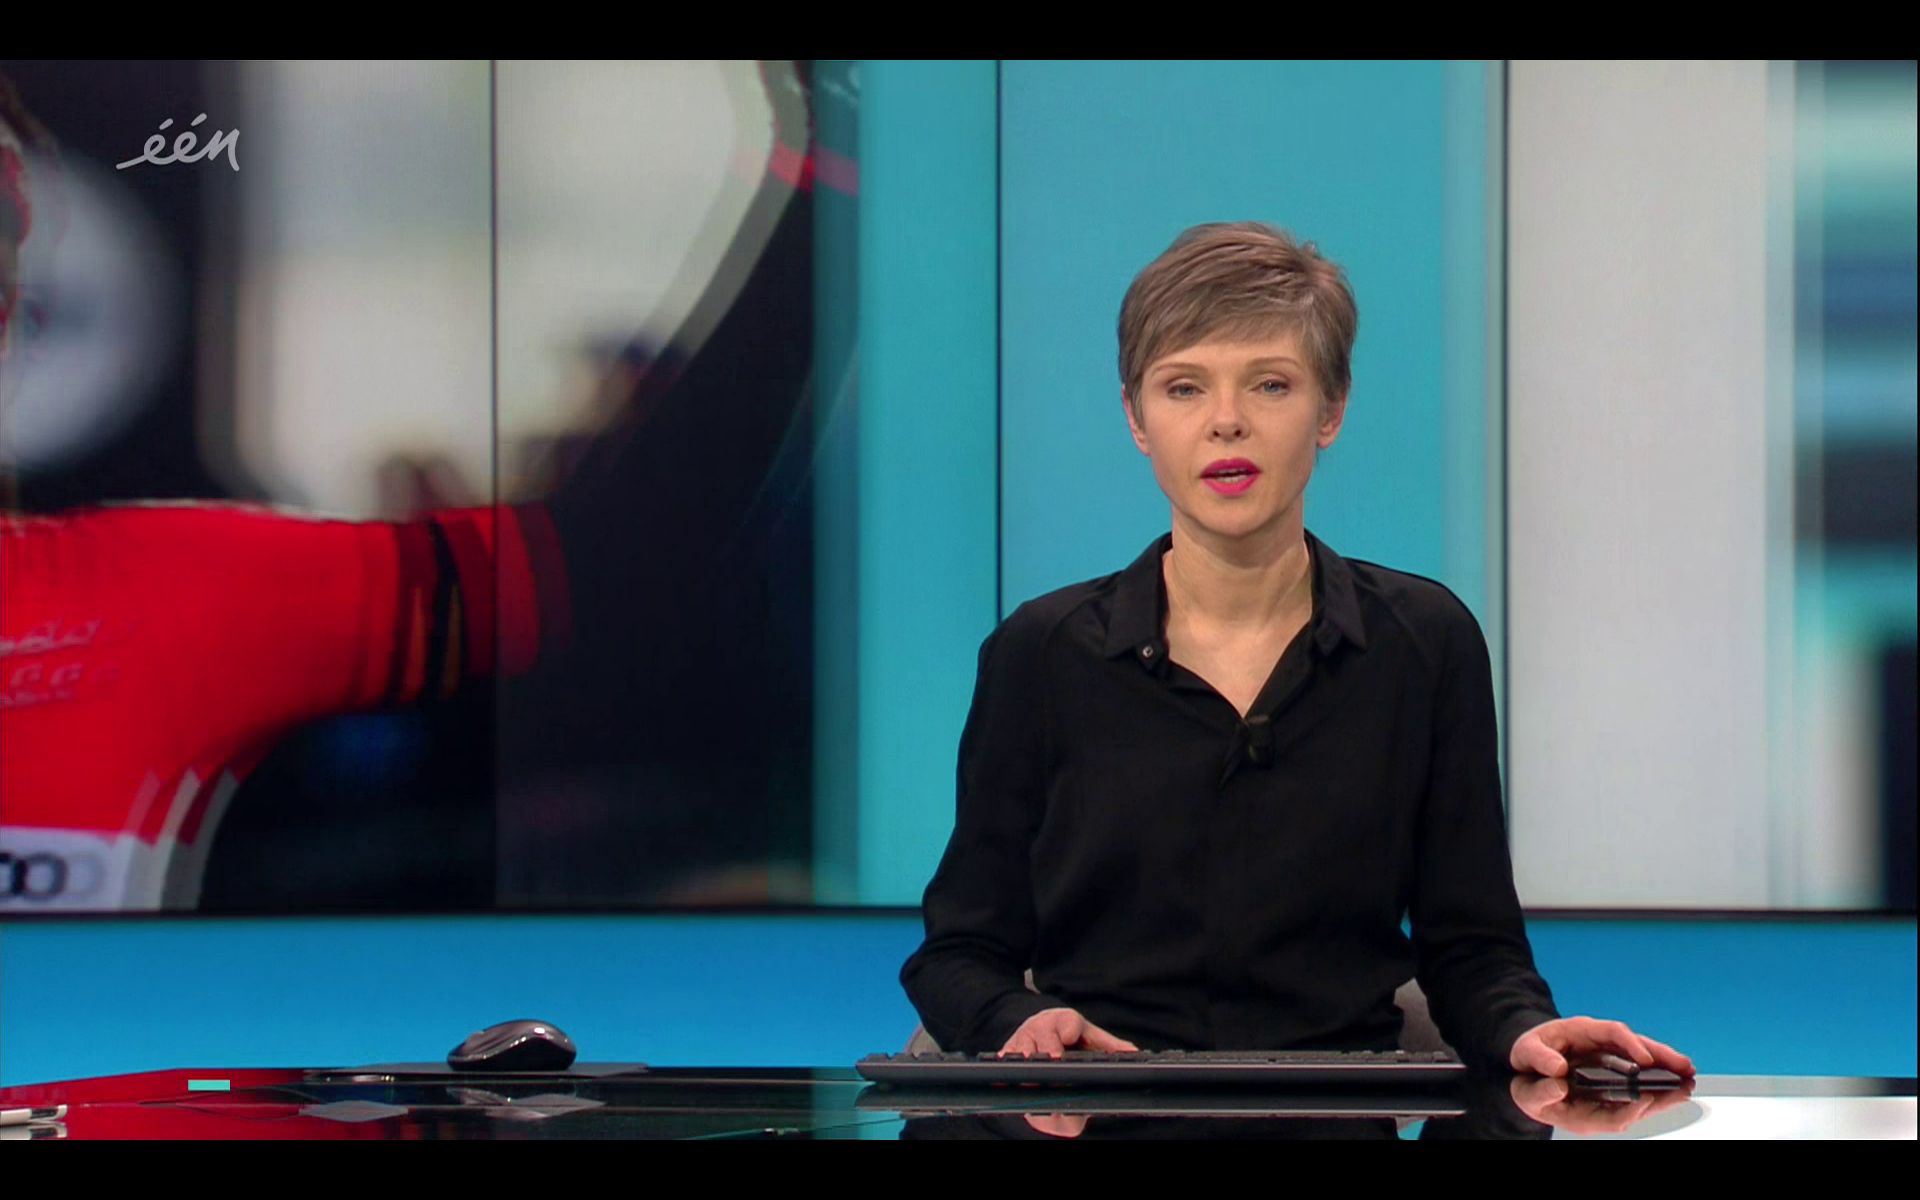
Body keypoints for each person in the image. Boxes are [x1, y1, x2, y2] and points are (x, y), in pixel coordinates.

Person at [900, 221, 1695, 1082]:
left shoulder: (1424, 644)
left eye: (1270, 384)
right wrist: (1022, 1017)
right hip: (1094, 1109)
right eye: (1184, 388)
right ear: (1136, 419)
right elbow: (958, 954)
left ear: (1331, 409)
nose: (1227, 424)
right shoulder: (1043, 653)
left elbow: (1473, 950)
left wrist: (1525, 1030)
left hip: (1337, 1106)